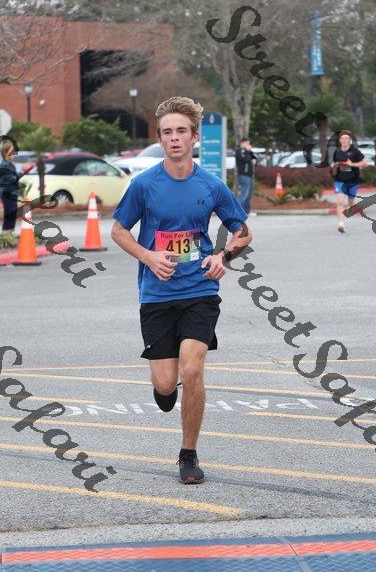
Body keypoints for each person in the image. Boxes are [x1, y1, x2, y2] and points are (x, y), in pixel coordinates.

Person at [111, 96, 252, 484]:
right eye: (167, 132)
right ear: (160, 139)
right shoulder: (143, 185)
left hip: (199, 290)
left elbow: (242, 232)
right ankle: (165, 390)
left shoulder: (211, 185)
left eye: (181, 131)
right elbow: (119, 231)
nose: (174, 138)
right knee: (164, 385)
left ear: (194, 138)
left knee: (192, 369)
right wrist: (148, 256)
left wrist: (223, 256)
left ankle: (188, 454)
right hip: (156, 295)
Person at [330, 130, 369, 233]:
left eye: (346, 138)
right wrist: (334, 166)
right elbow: (333, 164)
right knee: (340, 202)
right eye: (342, 138)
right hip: (339, 180)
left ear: (349, 140)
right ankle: (341, 224)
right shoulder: (336, 152)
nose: (344, 140)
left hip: (353, 181)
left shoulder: (355, 152)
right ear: (340, 140)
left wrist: (353, 164)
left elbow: (365, 163)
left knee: (351, 202)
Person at [0, 139, 23, 233]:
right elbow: (11, 179)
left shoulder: (10, 164)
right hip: (7, 193)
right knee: (10, 214)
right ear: (5, 153)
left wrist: (22, 172)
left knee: (12, 214)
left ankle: (9, 233)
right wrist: (22, 172)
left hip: (12, 193)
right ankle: (6, 233)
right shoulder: (4, 165)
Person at [235, 137, 258, 215]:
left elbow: (255, 159)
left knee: (249, 195)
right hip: (243, 175)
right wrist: (248, 151)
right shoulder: (239, 151)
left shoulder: (248, 151)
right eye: (247, 143)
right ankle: (237, 211)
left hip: (250, 175)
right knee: (244, 194)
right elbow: (245, 159)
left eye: (249, 143)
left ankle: (246, 212)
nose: (248, 145)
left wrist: (250, 152)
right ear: (242, 143)